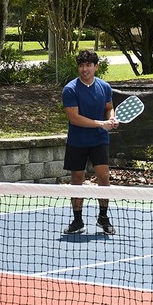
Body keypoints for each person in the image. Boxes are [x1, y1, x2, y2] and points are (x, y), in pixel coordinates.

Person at [61, 49, 118, 234]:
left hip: (99, 141)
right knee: (77, 179)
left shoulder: (105, 87)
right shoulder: (70, 89)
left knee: (103, 176)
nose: (84, 69)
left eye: (88, 65)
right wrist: (101, 123)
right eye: (81, 65)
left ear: (96, 67)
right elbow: (75, 118)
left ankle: (103, 217)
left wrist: (112, 118)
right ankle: (77, 221)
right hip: (77, 141)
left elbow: (109, 108)